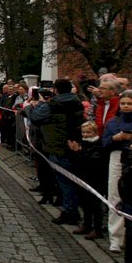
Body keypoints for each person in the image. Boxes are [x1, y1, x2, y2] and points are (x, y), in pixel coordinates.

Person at [30, 79, 86, 227]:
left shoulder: (53, 105)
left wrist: (40, 104)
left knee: (65, 181)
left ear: (55, 90)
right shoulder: (77, 102)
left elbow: (35, 117)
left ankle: (70, 212)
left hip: (58, 145)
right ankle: (72, 210)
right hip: (75, 144)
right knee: (72, 181)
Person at [101, 92, 132, 252]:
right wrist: (115, 139)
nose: (125, 106)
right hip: (117, 156)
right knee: (114, 195)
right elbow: (104, 142)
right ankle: (116, 238)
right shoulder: (113, 122)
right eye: (123, 103)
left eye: (129, 103)